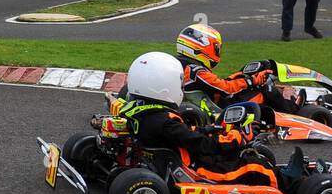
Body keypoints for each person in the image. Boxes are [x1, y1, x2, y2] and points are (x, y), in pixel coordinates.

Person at [118, 51, 277, 186]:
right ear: (163, 85)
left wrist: (207, 129)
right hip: (198, 168)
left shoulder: (137, 112)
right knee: (257, 166)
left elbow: (185, 135)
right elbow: (202, 145)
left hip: (171, 160)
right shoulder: (164, 121)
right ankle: (292, 183)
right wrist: (238, 137)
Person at [175, 23, 300, 113]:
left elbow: (215, 85)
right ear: (201, 47)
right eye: (216, 48)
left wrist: (238, 77)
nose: (217, 51)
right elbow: (225, 89)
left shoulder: (178, 63)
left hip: (205, 102)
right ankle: (293, 108)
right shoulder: (196, 71)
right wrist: (252, 81)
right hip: (217, 110)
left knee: (244, 84)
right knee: (264, 89)